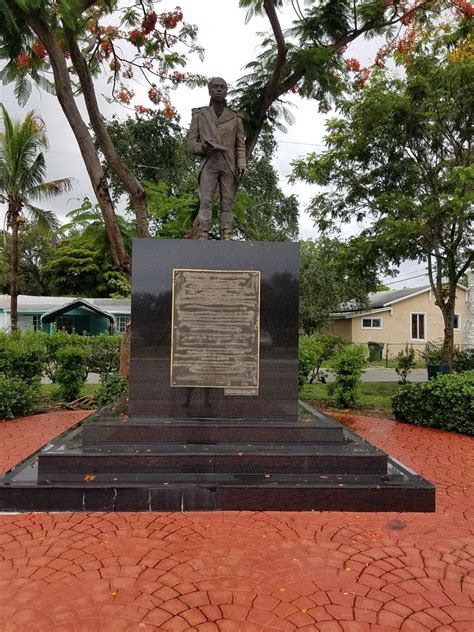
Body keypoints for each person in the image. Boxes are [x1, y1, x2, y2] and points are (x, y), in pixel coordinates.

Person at [187, 77, 246, 240]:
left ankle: (227, 234)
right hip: (209, 163)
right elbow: (191, 144)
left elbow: (240, 144)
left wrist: (242, 163)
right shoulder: (200, 115)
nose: (219, 89)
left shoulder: (235, 118)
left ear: (227, 90)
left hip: (228, 164)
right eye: (215, 87)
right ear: (209, 91)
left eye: (222, 87)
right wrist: (203, 148)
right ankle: (203, 233)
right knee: (206, 200)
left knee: (227, 202)